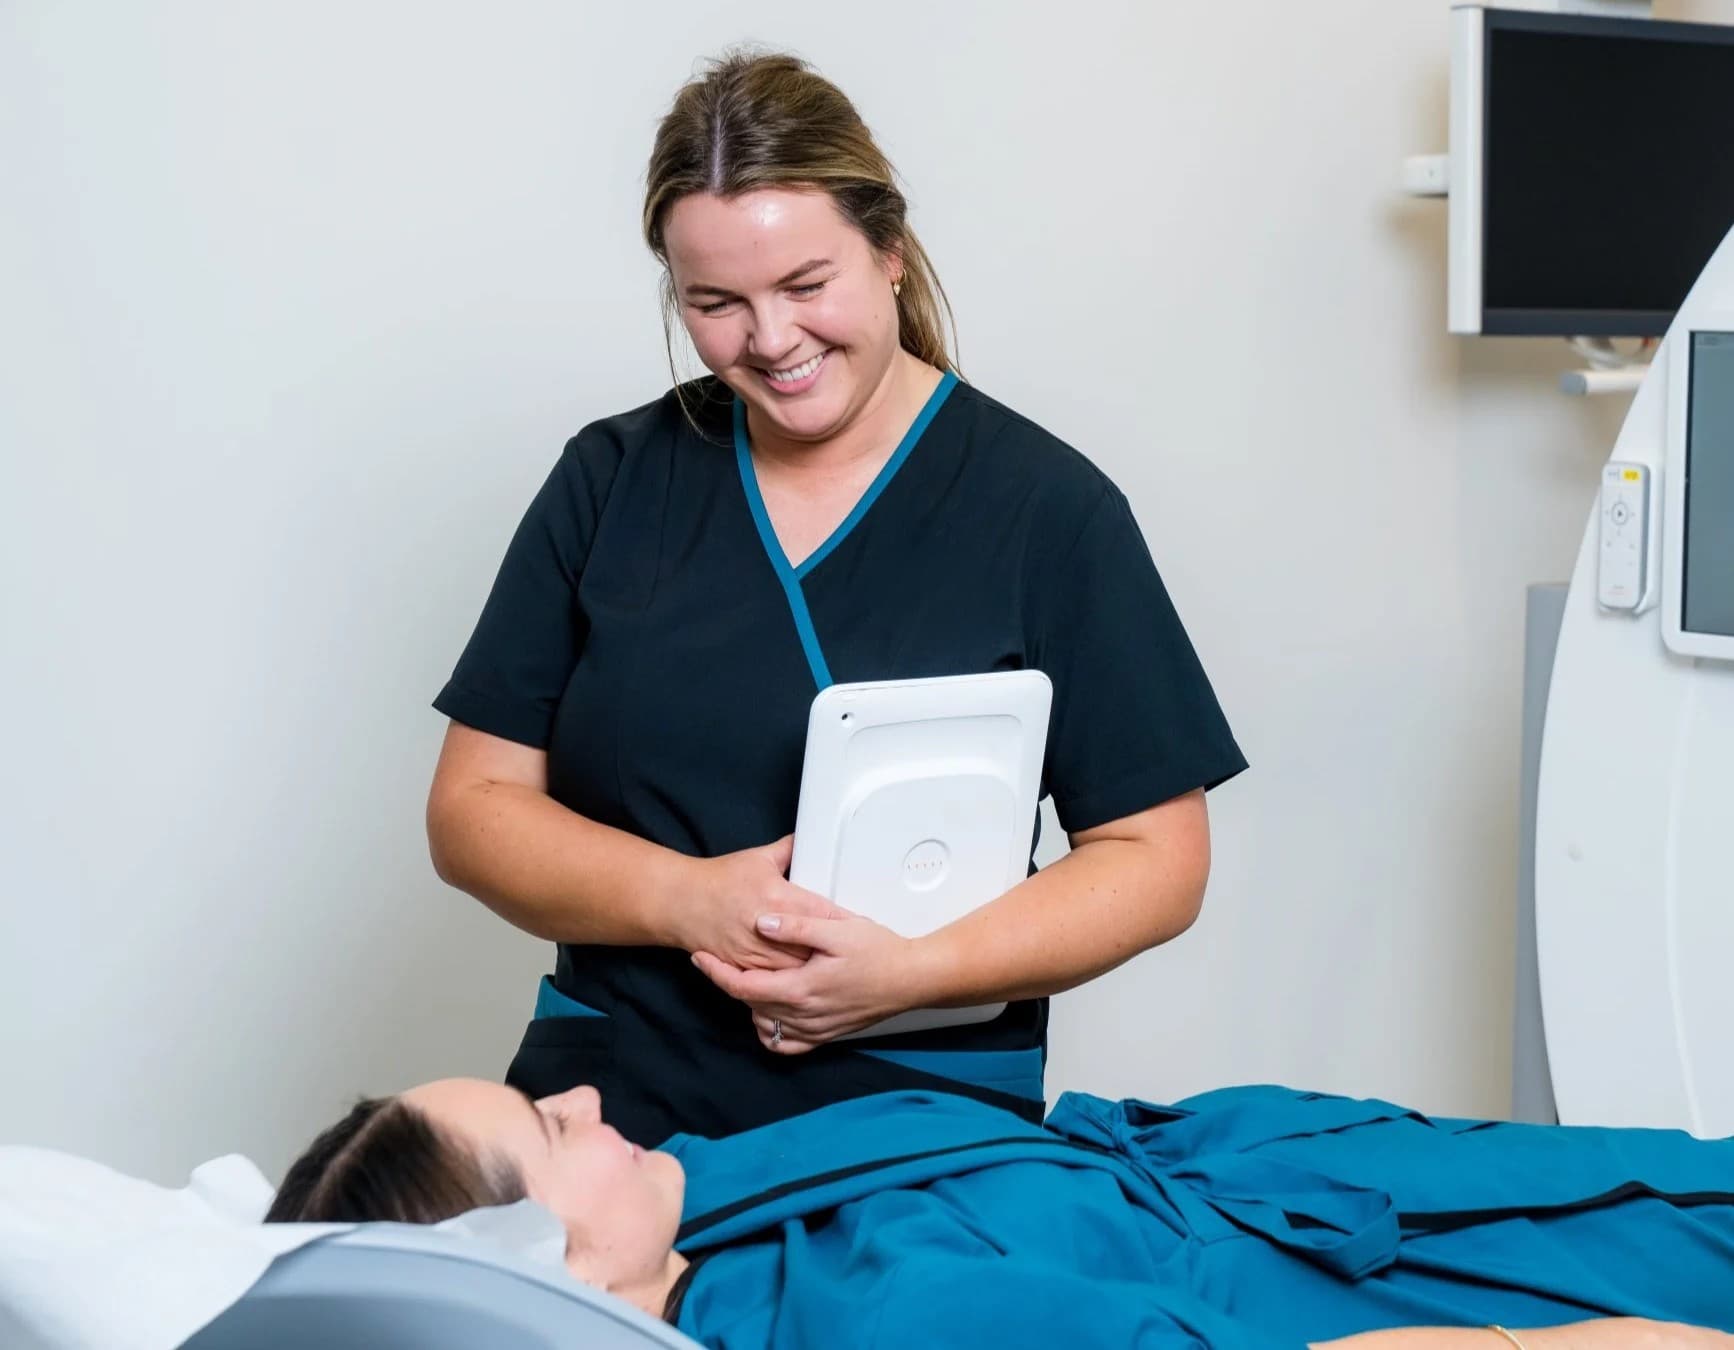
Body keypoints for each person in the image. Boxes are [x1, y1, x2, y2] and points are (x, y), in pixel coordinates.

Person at [424, 47, 1246, 1147]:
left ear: (891, 253)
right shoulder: (613, 481)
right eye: (716, 303)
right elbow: (473, 811)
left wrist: (912, 972)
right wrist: (688, 899)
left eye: (806, 286)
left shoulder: (1046, 509)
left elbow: (1156, 859)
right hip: (610, 1110)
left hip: (918, 1118)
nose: (770, 341)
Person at [269, 1077, 1734, 1349]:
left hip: (1305, 1168)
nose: (583, 1092)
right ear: (545, 1262)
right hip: (1447, 1270)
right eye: (547, 1127)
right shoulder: (872, 1316)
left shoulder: (709, 1198)